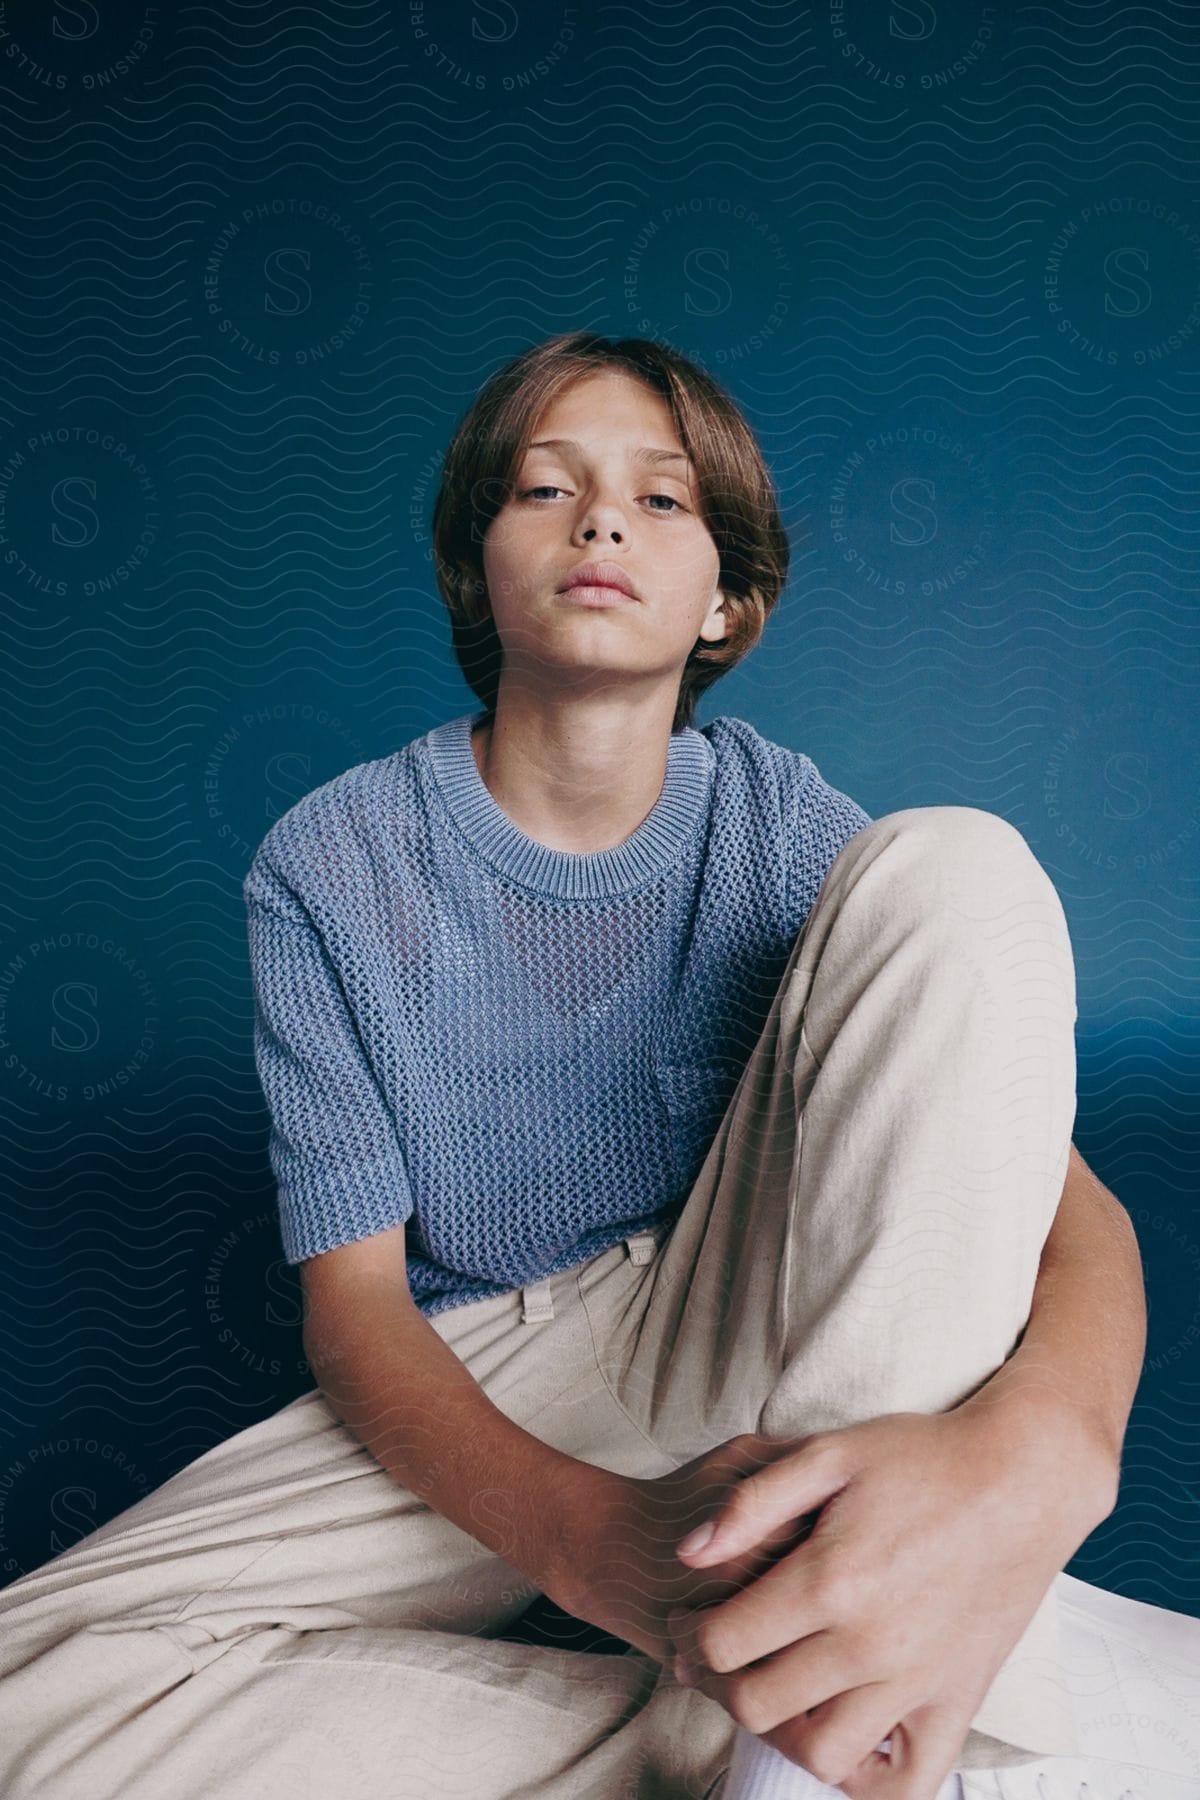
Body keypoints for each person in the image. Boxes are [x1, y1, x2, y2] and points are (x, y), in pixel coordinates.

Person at [0, 330, 1195, 1800]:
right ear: (476, 567)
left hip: (757, 1313)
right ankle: (846, 1725)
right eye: (542, 487)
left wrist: (1053, 1444)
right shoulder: (332, 861)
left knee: (961, 864)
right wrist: (590, 1547)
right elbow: (360, 1313)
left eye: (663, 500)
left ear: (727, 600)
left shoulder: (783, 826)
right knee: (28, 1700)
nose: (601, 519)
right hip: (492, 1371)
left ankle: (798, 1741)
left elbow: (1069, 1212)